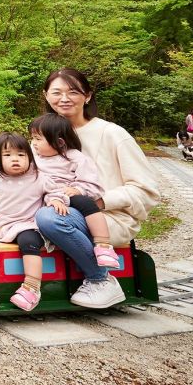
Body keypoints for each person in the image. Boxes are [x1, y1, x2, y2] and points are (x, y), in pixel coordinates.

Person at [37, 68, 160, 308]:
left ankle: (101, 280)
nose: (64, 99)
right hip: (59, 207)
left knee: (50, 218)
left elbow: (147, 191)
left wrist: (98, 201)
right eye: (57, 92)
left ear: (88, 96)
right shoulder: (44, 135)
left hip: (106, 217)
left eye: (73, 92)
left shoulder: (112, 134)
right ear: (46, 96)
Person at [0, 132, 69, 312]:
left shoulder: (38, 177)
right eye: (7, 155)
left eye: (21, 154)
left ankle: (32, 287)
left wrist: (55, 200)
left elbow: (53, 191)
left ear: (30, 156)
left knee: (28, 242)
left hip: (29, 224)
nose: (15, 159)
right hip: (3, 222)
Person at [29, 114, 117, 268]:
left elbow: (93, 185)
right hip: (44, 199)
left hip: (68, 199)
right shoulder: (34, 158)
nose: (33, 143)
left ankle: (103, 244)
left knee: (84, 202)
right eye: (32, 138)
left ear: (59, 142)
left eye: (38, 139)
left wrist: (77, 189)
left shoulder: (75, 158)